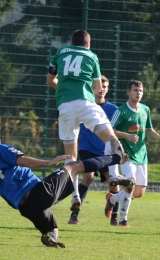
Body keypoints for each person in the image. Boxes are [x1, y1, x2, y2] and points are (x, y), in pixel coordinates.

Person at [46, 29, 127, 212]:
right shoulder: (91, 55)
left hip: (65, 106)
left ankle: (75, 195)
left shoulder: (60, 52)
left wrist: (64, 89)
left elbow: (50, 80)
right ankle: (114, 176)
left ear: (72, 42)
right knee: (110, 138)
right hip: (85, 102)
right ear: (88, 43)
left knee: (70, 156)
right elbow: (98, 88)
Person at [0, 143, 128, 248]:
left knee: (52, 229)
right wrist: (48, 163)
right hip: (38, 193)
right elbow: (21, 160)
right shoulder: (1, 149)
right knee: (73, 166)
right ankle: (117, 158)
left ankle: (52, 239)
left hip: (25, 208)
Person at [105, 80, 160, 227]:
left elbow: (148, 130)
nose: (138, 93)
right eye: (135, 90)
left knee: (139, 192)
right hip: (126, 155)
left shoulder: (145, 110)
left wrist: (159, 137)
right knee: (130, 184)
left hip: (142, 155)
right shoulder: (121, 111)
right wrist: (126, 136)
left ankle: (112, 199)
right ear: (128, 92)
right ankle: (123, 219)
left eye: (140, 91)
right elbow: (109, 130)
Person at [68, 75, 122, 225]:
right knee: (88, 176)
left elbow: (114, 132)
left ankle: (114, 217)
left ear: (108, 89)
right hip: (86, 148)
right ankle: (74, 215)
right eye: (99, 86)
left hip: (105, 151)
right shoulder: (85, 105)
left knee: (114, 182)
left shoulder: (113, 110)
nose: (101, 89)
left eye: (105, 86)